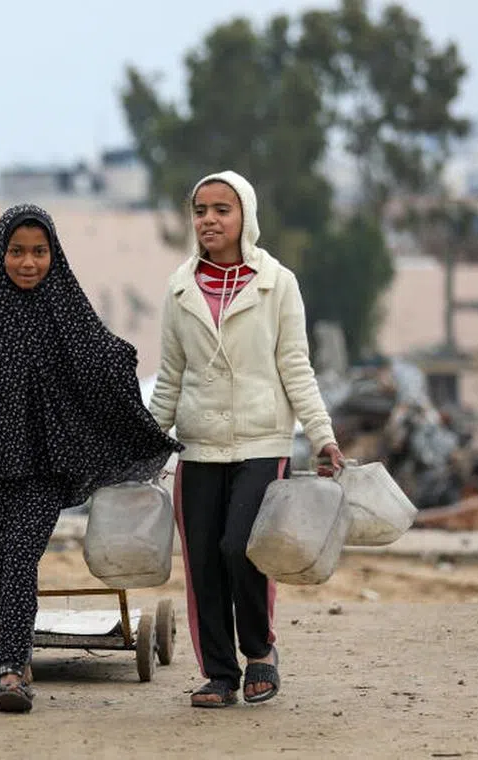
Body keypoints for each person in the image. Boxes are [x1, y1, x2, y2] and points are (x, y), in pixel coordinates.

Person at [0, 204, 181, 713]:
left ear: (54, 254)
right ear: (1, 252)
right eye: (17, 251)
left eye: (39, 252)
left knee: (20, 559)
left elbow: (99, 357)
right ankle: (15, 650)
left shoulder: (64, 304)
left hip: (44, 463)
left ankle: (11, 671)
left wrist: (122, 361)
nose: (28, 262)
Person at [149, 170, 345, 708]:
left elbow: (296, 367)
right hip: (198, 445)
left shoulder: (276, 283)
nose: (209, 220)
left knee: (243, 547)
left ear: (245, 218)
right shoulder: (179, 287)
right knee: (203, 564)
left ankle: (259, 650)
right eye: (200, 210)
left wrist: (322, 436)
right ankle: (219, 673)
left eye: (222, 210)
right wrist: (148, 439)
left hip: (263, 443)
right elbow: (170, 375)